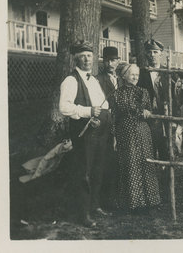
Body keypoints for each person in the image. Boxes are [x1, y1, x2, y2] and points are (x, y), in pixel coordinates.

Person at [59, 40, 112, 227]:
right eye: (82, 56)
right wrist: (88, 112)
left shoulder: (95, 79)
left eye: (89, 55)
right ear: (75, 59)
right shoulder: (71, 80)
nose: (87, 59)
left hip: (100, 133)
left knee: (98, 169)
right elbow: (64, 107)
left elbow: (102, 104)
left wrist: (105, 115)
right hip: (84, 135)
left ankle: (94, 205)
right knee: (84, 172)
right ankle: (82, 214)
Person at [112, 63, 161, 211]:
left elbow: (147, 110)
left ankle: (150, 200)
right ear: (124, 75)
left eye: (137, 75)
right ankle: (132, 202)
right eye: (132, 74)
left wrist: (146, 112)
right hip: (125, 131)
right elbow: (118, 112)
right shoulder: (116, 94)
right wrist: (114, 135)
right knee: (131, 162)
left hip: (141, 130)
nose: (135, 77)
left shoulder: (143, 91)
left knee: (145, 161)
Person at [137, 39, 170, 201]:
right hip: (148, 117)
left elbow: (175, 97)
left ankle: (166, 185)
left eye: (155, 52)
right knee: (149, 148)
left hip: (165, 116)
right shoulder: (141, 73)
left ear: (161, 54)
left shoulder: (168, 72)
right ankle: (150, 186)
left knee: (165, 146)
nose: (152, 55)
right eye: (149, 52)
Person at [96, 46, 121, 212]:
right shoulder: (98, 80)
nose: (110, 63)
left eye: (113, 60)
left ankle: (121, 197)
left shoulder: (122, 78)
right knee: (108, 161)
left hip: (122, 121)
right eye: (107, 60)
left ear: (118, 61)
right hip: (107, 123)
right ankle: (106, 200)